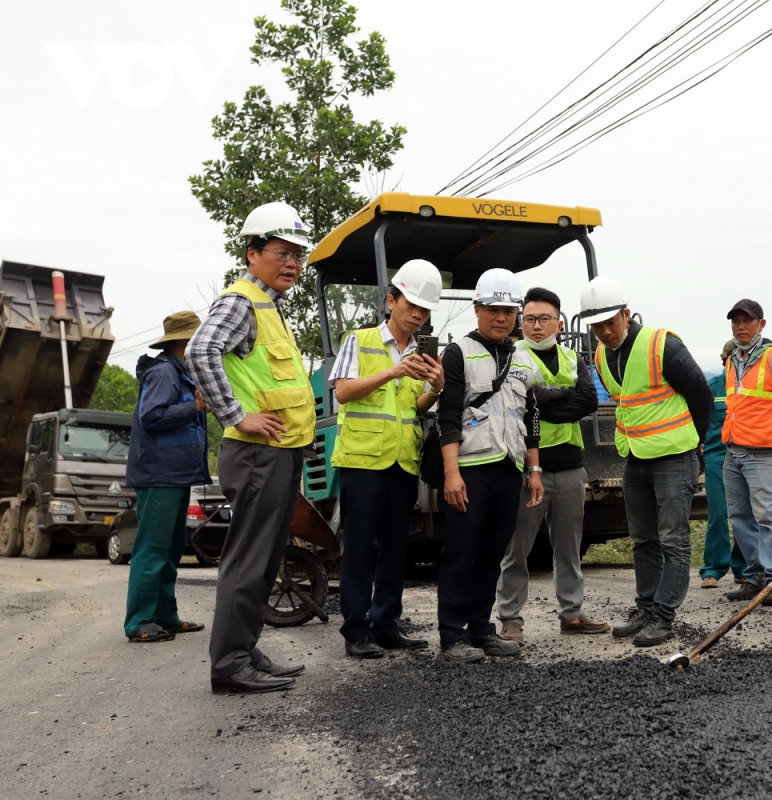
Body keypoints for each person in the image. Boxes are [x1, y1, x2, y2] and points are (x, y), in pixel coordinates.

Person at [187, 201, 315, 693]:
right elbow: (201, 350)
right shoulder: (242, 300)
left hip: (277, 454)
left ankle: (243, 649)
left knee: (265, 557)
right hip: (257, 452)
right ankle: (229, 665)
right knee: (249, 558)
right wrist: (236, 415)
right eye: (282, 252)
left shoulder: (268, 306)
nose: (292, 264)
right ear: (252, 252)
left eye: (298, 256)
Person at [582, 276, 712, 647]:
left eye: (611, 322)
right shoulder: (601, 355)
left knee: (673, 539)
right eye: (597, 326)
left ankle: (664, 615)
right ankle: (645, 607)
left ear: (626, 313)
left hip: (674, 456)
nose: (605, 331)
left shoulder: (661, 345)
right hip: (635, 458)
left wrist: (694, 447)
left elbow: (700, 396)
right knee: (643, 539)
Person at [329, 260, 445, 658]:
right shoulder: (358, 341)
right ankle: (355, 630)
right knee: (360, 547)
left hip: (402, 461)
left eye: (425, 309)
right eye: (411, 304)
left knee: (397, 547)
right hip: (362, 461)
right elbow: (343, 392)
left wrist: (436, 387)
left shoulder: (420, 353)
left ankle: (385, 623)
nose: (418, 313)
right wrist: (394, 372)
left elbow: (415, 405)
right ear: (390, 300)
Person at [436, 268, 544, 664]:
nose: (502, 317)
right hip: (468, 470)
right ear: (477, 309)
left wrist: (534, 470)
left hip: (508, 469)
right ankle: (451, 637)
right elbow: (446, 417)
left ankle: (481, 629)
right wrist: (451, 474)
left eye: (509, 310)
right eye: (494, 309)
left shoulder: (522, 358)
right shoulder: (457, 352)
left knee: (491, 552)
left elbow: (530, 417)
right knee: (460, 552)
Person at [496, 287, 607, 644]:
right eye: (529, 319)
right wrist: (560, 397)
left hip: (571, 465)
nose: (536, 325)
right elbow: (527, 403)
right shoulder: (514, 356)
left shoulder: (573, 357)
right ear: (520, 322)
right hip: (530, 468)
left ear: (559, 322)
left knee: (569, 548)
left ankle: (571, 614)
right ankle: (510, 618)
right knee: (518, 548)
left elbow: (588, 400)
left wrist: (546, 401)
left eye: (544, 319)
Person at [123, 311, 210, 643]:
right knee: (152, 547)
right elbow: (152, 415)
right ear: (186, 342)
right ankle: (139, 622)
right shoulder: (163, 373)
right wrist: (196, 406)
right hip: (159, 474)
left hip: (175, 475)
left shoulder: (181, 373)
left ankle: (164, 616)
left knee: (171, 547)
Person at [720, 299, 772, 606]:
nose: (741, 326)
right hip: (734, 450)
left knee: (768, 516)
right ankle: (754, 578)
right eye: (736, 321)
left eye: (747, 320)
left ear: (761, 324)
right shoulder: (732, 358)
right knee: (740, 516)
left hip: (762, 452)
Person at [698, 340, 747, 589]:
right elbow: (699, 420)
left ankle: (742, 567)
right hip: (717, 458)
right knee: (718, 515)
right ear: (725, 359)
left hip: (744, 457)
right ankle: (713, 569)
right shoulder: (712, 387)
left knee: (744, 515)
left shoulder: (747, 387)